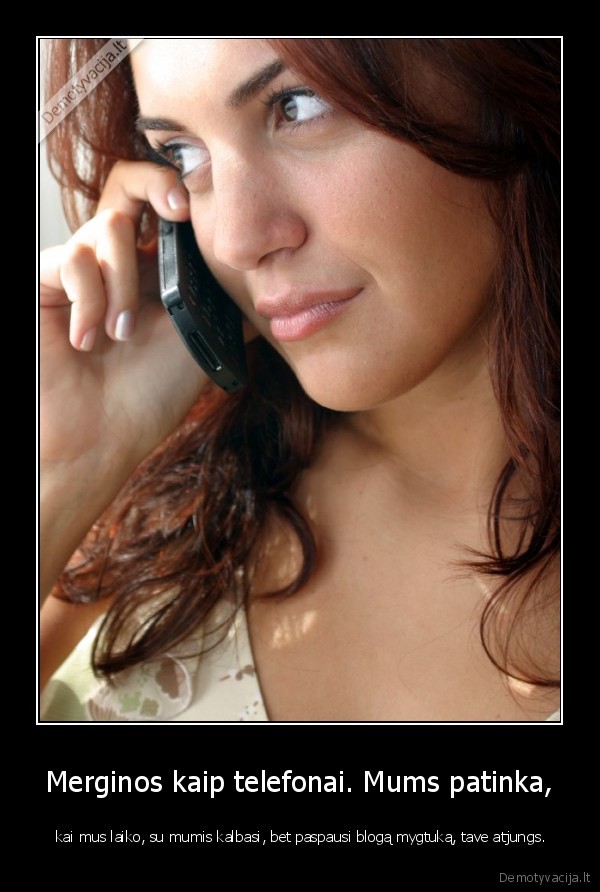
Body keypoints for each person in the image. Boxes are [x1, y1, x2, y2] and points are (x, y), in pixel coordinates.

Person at [39, 38, 561, 722]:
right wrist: (67, 467)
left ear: (507, 84)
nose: (236, 240)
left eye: (299, 106)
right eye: (183, 155)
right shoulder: (152, 531)